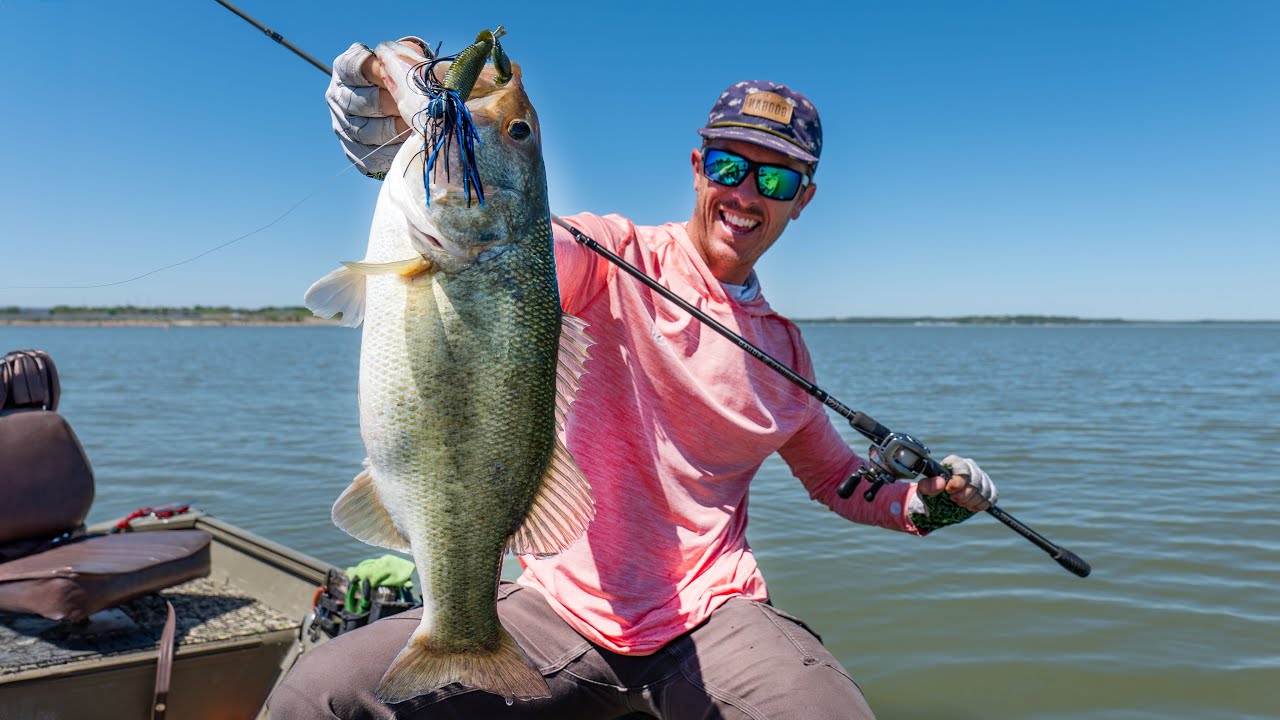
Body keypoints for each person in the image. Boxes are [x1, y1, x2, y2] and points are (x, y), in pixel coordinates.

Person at [269, 39, 998, 720]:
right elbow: (506, 254)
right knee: (317, 697)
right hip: (557, 605)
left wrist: (929, 505)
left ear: (802, 198)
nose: (745, 194)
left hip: (712, 615)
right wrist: (420, 127)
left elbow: (839, 482)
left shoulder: (787, 357)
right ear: (696, 167)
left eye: (774, 177)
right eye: (729, 167)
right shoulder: (610, 254)